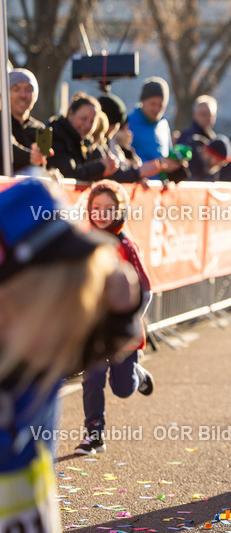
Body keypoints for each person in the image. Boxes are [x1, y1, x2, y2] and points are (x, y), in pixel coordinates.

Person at [0, 177, 144, 533]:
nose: (76, 316)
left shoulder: (35, 356)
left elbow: (100, 341)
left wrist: (123, 312)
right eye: (63, 302)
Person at [75, 180, 155, 455]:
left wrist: (129, 323)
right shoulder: (82, 243)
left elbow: (146, 290)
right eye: (96, 208)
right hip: (95, 331)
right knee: (92, 379)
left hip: (124, 333)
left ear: (120, 211)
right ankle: (93, 435)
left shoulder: (126, 246)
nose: (101, 213)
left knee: (122, 389)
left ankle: (137, 376)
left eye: (109, 209)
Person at [47, 94, 118, 182]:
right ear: (70, 114)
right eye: (83, 119)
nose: (88, 125)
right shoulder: (55, 135)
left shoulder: (87, 142)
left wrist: (109, 166)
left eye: (92, 121)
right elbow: (68, 173)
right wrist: (100, 167)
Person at [125, 77, 173, 171]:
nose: (157, 109)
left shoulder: (163, 124)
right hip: (138, 183)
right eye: (153, 104)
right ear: (142, 101)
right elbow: (124, 160)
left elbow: (168, 155)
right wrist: (156, 165)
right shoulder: (128, 124)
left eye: (161, 105)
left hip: (162, 184)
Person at [7, 68, 48, 171]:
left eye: (28, 90)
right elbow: (6, 145)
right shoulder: (2, 122)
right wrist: (30, 157)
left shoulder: (40, 129)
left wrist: (52, 172)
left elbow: (46, 163)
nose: (23, 95)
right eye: (16, 89)